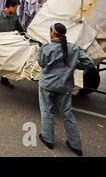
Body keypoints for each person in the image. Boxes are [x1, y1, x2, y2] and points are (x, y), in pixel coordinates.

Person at [37, 23, 93, 156]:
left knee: (47, 111)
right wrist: (73, 65)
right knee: (67, 114)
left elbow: (41, 63)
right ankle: (75, 145)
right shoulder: (74, 48)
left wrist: (42, 49)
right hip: (65, 86)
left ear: (52, 33)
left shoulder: (47, 47)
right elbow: (89, 63)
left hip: (47, 85)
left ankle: (48, 138)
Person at [0, 0, 24, 89]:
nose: (16, 9)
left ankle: (4, 80)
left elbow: (18, 26)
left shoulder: (14, 15)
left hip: (9, 43)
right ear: (10, 6)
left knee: (6, 62)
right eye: (15, 7)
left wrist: (24, 34)